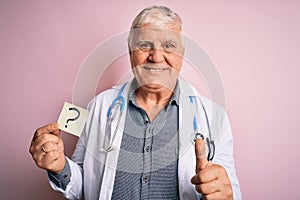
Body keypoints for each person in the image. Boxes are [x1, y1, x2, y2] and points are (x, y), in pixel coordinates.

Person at [29, 5, 242, 200]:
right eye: (144, 45)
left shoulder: (215, 117)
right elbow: (84, 184)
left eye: (168, 46)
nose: (156, 57)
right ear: (131, 51)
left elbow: (229, 189)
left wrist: (225, 194)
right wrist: (60, 167)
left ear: (182, 54)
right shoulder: (99, 106)